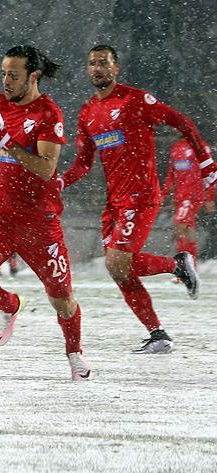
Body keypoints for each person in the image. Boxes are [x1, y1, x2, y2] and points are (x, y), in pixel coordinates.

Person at [60, 45, 216, 354]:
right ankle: (158, 334)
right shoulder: (88, 111)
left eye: (103, 63)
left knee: (118, 262)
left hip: (140, 195)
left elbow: (181, 121)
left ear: (116, 68)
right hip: (114, 201)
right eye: (91, 63)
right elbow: (83, 162)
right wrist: (61, 180)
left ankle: (178, 264)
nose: (96, 68)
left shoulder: (135, 100)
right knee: (119, 270)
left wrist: (206, 163)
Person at [0, 45, 90, 381]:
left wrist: (10, 143)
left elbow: (46, 169)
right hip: (0, 216)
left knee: (62, 301)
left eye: (13, 75)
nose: (6, 80)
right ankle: (9, 305)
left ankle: (74, 353)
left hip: (40, 223)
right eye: (3, 73)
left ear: (33, 76)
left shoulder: (49, 114)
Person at [162, 136, 215, 272]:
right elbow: (172, 172)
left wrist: (209, 197)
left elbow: (210, 172)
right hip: (181, 196)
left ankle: (185, 268)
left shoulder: (201, 146)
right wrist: (165, 193)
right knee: (187, 230)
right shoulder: (175, 147)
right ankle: (191, 268)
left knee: (180, 227)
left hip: (192, 194)